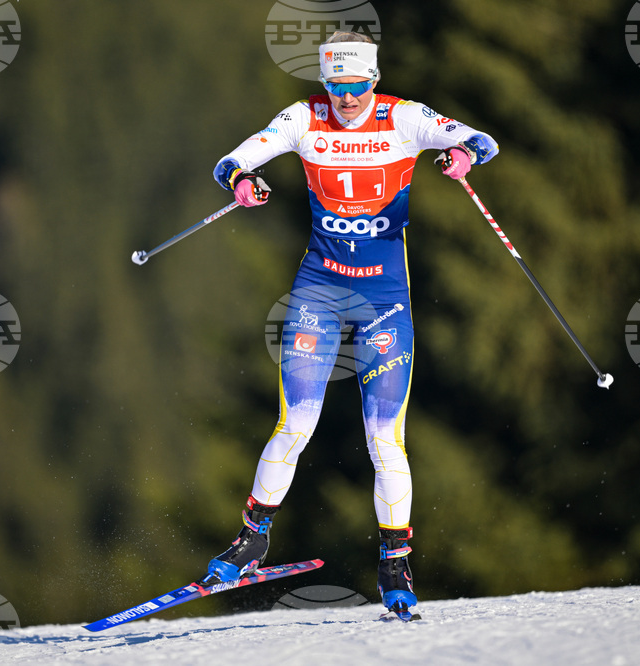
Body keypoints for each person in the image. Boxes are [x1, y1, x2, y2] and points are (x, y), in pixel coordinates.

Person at [204, 31, 498, 616]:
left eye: (358, 85)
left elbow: (480, 140)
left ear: (375, 79)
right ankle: (252, 539)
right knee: (298, 419)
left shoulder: (405, 118)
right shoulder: (302, 119)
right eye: (337, 86)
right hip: (320, 288)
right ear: (325, 84)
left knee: (383, 436)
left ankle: (395, 562)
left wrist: (462, 155)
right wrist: (241, 182)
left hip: (385, 299)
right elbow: (232, 161)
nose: (347, 98)